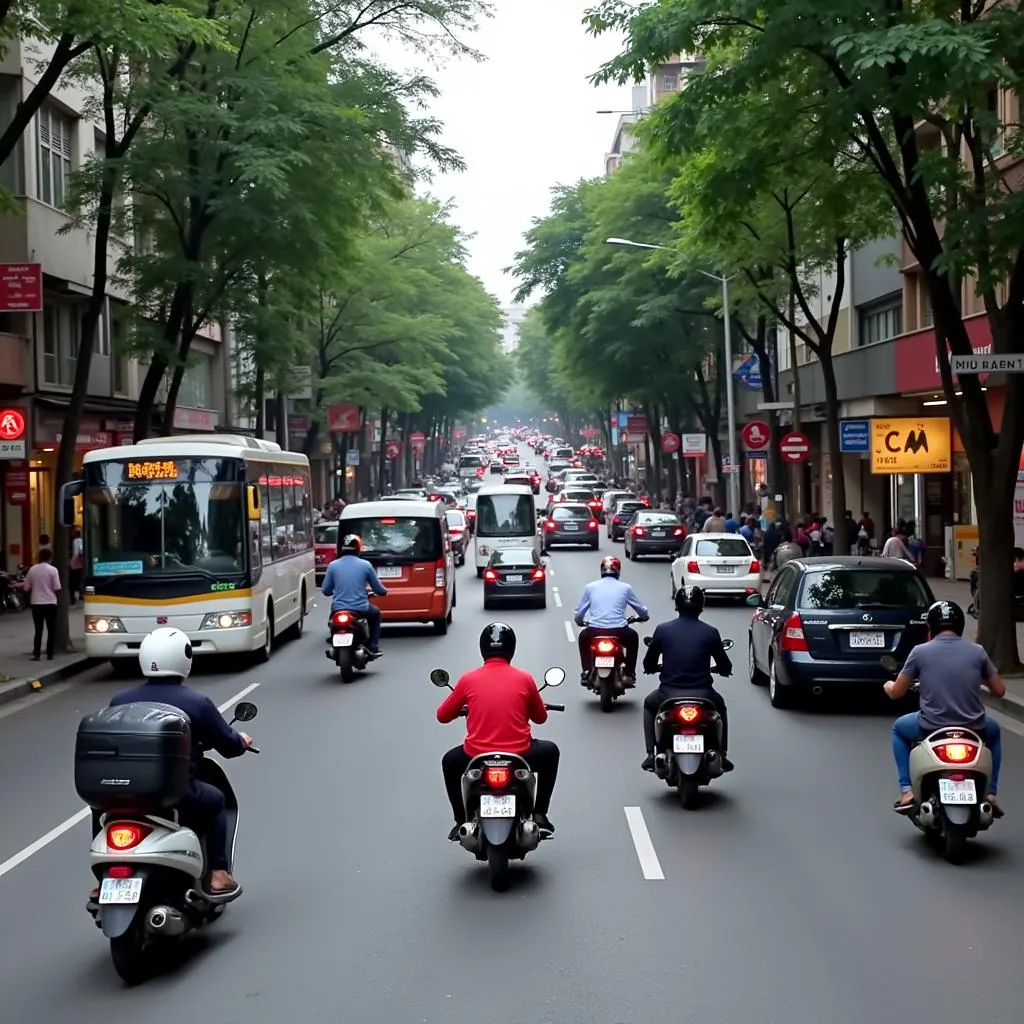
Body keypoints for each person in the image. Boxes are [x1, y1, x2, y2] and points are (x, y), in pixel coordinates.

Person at [93, 628, 255, 899]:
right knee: (216, 802)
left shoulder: (119, 701)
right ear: (185, 659)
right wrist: (241, 741)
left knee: (101, 808)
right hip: (177, 794)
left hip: (124, 791)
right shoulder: (197, 703)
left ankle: (101, 881)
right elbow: (228, 745)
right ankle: (217, 873)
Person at [437, 623, 560, 840]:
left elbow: (442, 715)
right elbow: (541, 718)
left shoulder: (468, 679)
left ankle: (460, 820)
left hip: (475, 756)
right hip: (520, 754)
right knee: (551, 752)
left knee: (449, 761)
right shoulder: (525, 678)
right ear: (512, 649)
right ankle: (540, 813)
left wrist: (461, 709)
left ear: (483, 649)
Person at [884, 600, 1005, 815]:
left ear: (930, 628)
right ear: (960, 626)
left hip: (931, 727)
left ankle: (906, 791)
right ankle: (991, 793)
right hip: (975, 728)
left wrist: (888, 685)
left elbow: (897, 693)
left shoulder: (920, 652)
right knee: (994, 733)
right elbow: (1000, 690)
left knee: (899, 729)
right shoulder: (977, 652)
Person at [640, 585, 734, 773]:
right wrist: (723, 670)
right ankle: (722, 753)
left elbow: (648, 662)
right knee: (720, 708)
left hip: (668, 694)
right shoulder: (711, 632)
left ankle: (651, 754)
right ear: (701, 606)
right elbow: (725, 665)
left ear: (677, 606)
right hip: (704, 695)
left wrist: (652, 669)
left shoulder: (663, 630)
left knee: (649, 705)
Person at [573, 555, 649, 684]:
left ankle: (586, 671)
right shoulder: (625, 588)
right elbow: (641, 610)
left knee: (582, 637)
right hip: (619, 630)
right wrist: (643, 617)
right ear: (618, 570)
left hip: (594, 631)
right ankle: (630, 672)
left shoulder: (590, 587)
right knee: (633, 638)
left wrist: (580, 622)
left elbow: (579, 614)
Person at [320, 534, 387, 658]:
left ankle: (333, 637)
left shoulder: (333, 565)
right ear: (358, 549)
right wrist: (383, 591)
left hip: (338, 609)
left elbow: (325, 590)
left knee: (331, 622)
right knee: (376, 614)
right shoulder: (365, 565)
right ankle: (373, 646)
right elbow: (380, 590)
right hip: (361, 608)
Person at [24, 548, 61, 661]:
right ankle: (50, 654)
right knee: (51, 629)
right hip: (50, 602)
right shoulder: (53, 570)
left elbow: (26, 588)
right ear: (50, 557)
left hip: (36, 603)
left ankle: (37, 653)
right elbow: (57, 588)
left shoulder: (32, 570)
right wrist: (58, 600)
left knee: (38, 629)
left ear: (39, 557)